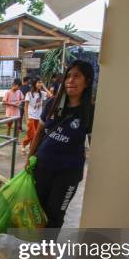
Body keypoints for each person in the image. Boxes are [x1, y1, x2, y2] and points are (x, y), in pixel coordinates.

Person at [26, 60, 94, 229]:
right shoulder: (52, 103)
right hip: (42, 167)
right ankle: (39, 244)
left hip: (68, 173)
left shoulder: (91, 112)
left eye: (77, 76)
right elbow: (39, 133)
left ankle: (47, 249)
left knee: (56, 212)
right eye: (68, 76)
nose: (70, 80)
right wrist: (29, 157)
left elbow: (95, 144)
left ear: (87, 82)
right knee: (39, 208)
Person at [22, 77, 48, 154]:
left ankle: (30, 147)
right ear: (35, 84)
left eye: (41, 82)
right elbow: (25, 107)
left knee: (35, 134)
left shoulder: (42, 93)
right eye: (39, 82)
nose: (40, 84)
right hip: (31, 117)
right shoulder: (29, 94)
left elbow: (51, 96)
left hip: (38, 117)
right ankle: (24, 144)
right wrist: (26, 118)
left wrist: (44, 87)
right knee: (33, 133)